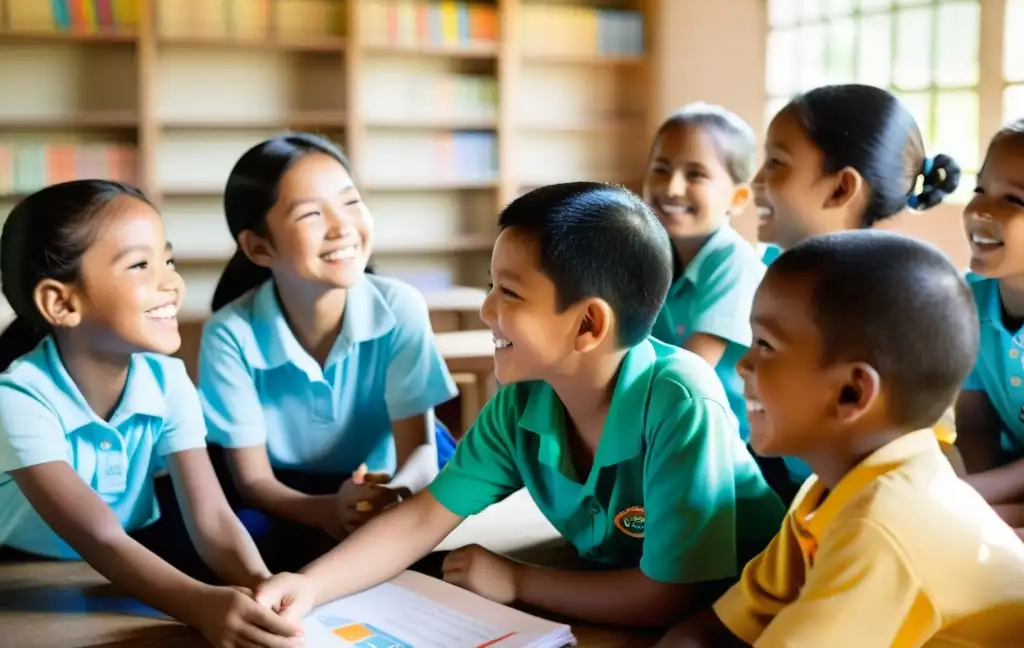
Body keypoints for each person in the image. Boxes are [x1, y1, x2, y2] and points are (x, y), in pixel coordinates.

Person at [252, 182, 785, 629]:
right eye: (492, 286)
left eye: (509, 292)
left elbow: (668, 596)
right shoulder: (522, 404)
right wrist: (309, 585)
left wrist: (517, 579)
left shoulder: (680, 401)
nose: (486, 310)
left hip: (743, 616)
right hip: (614, 594)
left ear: (588, 325)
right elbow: (422, 518)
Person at [657, 230, 1024, 648]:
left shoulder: (882, 522)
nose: (743, 364)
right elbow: (719, 628)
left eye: (766, 345)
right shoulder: (828, 492)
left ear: (852, 392)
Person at [0, 180, 301, 648]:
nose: (171, 283)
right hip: (20, 574)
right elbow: (99, 535)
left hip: (123, 566)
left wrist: (264, 586)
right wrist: (202, 604)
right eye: (141, 265)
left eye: (169, 260)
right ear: (61, 302)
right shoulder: (17, 397)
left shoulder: (168, 380)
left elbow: (212, 519)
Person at [198, 132, 458, 571]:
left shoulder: (400, 306)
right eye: (311, 214)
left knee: (445, 517)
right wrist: (328, 510)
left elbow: (419, 451)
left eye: (351, 202)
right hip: (285, 488)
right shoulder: (229, 333)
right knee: (231, 539)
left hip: (388, 473)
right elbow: (253, 480)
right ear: (259, 247)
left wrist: (393, 497)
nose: (342, 227)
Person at [752, 83, 961, 498]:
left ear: (841, 188)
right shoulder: (774, 270)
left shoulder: (896, 296)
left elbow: (929, 452)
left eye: (776, 162)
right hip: (791, 489)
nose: (757, 180)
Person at [643, 103, 764, 439]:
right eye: (661, 168)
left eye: (695, 174)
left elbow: (689, 373)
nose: (672, 188)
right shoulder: (648, 255)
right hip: (666, 425)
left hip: (727, 445)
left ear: (738, 198)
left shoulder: (732, 261)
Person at [957, 118, 1024, 538]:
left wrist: (966, 495)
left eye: (1014, 199)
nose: (981, 210)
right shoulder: (970, 299)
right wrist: (970, 495)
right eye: (980, 190)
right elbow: (976, 422)